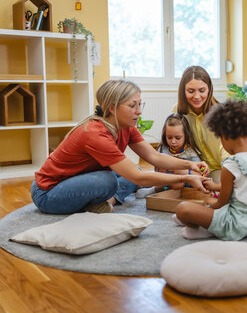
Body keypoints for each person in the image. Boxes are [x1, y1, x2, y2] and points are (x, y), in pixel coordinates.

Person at [31, 79, 209, 215]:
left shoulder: (127, 126)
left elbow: (154, 157)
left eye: (140, 105)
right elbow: (139, 178)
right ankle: (104, 201)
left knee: (132, 171)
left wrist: (189, 166)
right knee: (109, 180)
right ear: (111, 108)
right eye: (133, 106)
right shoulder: (94, 133)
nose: (139, 111)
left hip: (78, 180)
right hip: (48, 193)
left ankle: (106, 200)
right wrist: (184, 179)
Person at [174, 100, 247, 241]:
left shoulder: (231, 164)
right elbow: (244, 186)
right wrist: (214, 186)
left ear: (224, 136)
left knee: (183, 209)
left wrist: (207, 206)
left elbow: (222, 203)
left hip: (236, 224)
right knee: (197, 209)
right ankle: (201, 220)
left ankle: (206, 228)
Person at [135, 113, 202, 198]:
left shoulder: (190, 152)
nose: (173, 142)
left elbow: (201, 175)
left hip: (184, 184)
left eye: (178, 138)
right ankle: (156, 186)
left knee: (178, 183)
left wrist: (185, 172)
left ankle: (155, 189)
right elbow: (158, 170)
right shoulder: (164, 148)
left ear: (186, 135)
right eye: (169, 137)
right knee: (158, 164)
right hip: (164, 180)